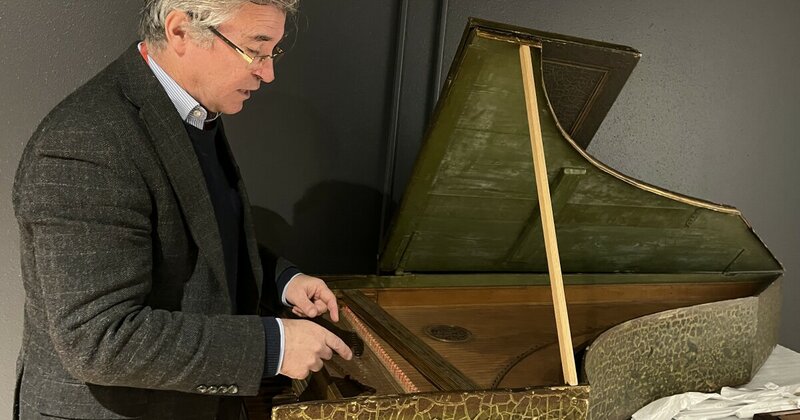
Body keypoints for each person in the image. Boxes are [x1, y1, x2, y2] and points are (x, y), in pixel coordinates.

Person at [11, 1, 352, 419]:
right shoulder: (86, 143)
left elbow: (198, 236)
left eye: (272, 52)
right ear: (180, 31)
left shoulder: (191, 109)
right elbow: (100, 340)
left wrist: (280, 280)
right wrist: (272, 346)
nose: (267, 73)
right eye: (254, 50)